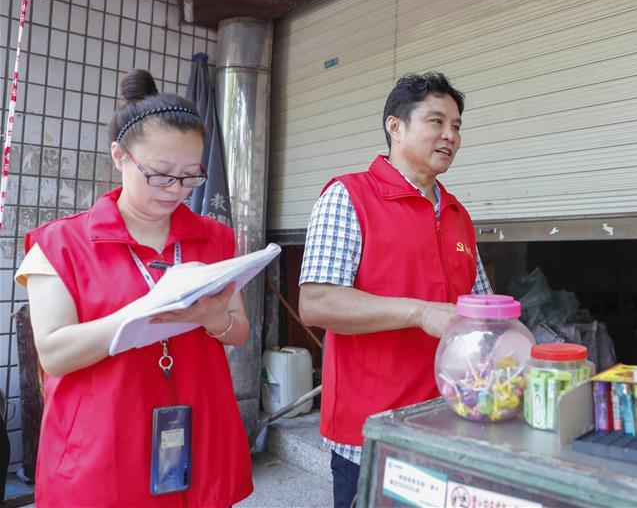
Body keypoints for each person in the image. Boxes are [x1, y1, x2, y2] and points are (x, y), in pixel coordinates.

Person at [14, 70, 253, 506]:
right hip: (103, 443)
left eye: (190, 176)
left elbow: (238, 331)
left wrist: (211, 317)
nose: (176, 190)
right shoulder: (60, 244)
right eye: (160, 174)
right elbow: (54, 353)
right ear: (119, 156)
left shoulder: (213, 237)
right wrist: (143, 312)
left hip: (198, 424)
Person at [298, 72, 493, 507]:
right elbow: (316, 302)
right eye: (436, 122)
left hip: (450, 424)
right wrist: (420, 313)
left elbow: (481, 308)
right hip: (372, 430)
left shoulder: (457, 213)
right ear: (395, 126)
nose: (450, 136)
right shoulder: (348, 196)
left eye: (457, 126)